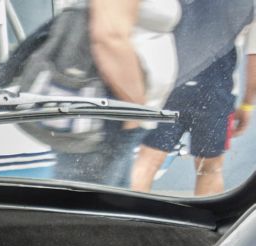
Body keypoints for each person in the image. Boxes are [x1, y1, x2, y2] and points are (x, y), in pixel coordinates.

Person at [51, 0, 180, 188]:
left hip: (120, 115)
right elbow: (109, 37)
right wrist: (134, 107)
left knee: (112, 200)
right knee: (91, 201)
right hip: (108, 115)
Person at [131, 14, 256, 195]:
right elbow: (253, 57)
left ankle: (130, 211)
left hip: (171, 86)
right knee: (209, 168)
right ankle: (207, 214)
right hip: (217, 94)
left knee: (147, 160)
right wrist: (247, 105)